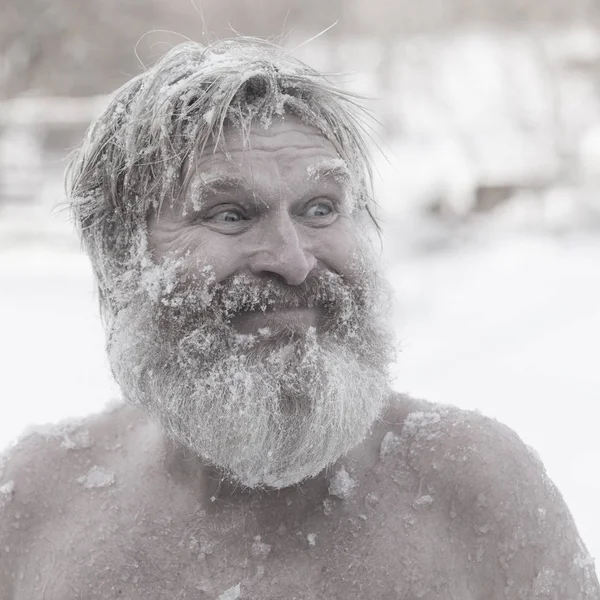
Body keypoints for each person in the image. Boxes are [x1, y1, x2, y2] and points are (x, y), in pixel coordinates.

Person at [1, 38, 598, 600]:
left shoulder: (479, 492)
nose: (291, 260)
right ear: (120, 259)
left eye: (320, 208)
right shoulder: (34, 504)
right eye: (230, 214)